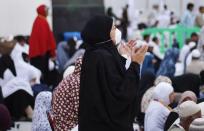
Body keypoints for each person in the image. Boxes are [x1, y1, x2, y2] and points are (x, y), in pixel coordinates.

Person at [79, 15, 148, 131]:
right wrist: (136, 63)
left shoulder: (93, 53)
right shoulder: (102, 57)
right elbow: (120, 94)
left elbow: (110, 80)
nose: (117, 31)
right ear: (102, 32)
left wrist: (124, 57)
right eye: (113, 28)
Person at [29, 4, 57, 86]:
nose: (48, 12)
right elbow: (48, 39)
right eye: (46, 10)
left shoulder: (38, 20)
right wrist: (52, 53)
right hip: (42, 55)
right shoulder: (42, 21)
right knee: (43, 75)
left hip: (37, 55)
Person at [52, 57, 82, 131]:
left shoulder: (71, 78)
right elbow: (80, 110)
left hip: (61, 125)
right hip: (68, 127)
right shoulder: (77, 82)